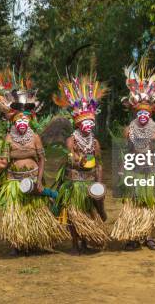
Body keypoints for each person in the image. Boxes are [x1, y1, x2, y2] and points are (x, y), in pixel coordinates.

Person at [0, 68, 67, 255]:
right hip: (14, 181)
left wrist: (39, 181)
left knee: (33, 211)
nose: (22, 123)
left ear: (29, 120)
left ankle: (32, 241)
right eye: (18, 120)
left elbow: (42, 160)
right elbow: (5, 159)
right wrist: (0, 165)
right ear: (14, 122)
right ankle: (18, 243)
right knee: (18, 212)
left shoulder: (35, 137)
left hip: (33, 179)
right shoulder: (9, 138)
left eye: (24, 120)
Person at [111, 56, 155, 251]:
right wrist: (122, 170)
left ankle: (147, 236)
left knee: (150, 205)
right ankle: (132, 236)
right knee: (133, 204)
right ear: (136, 114)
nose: (143, 116)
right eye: (140, 114)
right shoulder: (128, 131)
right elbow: (125, 152)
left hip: (151, 172)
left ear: (151, 114)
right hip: (135, 172)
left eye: (146, 114)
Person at [53, 73, 110, 254]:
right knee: (73, 213)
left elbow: (99, 164)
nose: (88, 125)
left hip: (89, 182)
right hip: (75, 182)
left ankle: (86, 241)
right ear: (78, 124)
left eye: (91, 122)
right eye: (85, 122)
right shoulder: (72, 140)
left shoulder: (95, 143)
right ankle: (75, 244)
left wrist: (99, 183)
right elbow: (69, 160)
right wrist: (79, 161)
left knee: (87, 212)